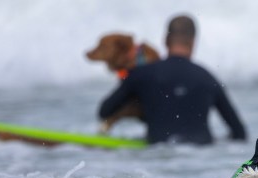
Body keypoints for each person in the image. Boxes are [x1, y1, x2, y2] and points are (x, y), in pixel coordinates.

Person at [98, 14, 247, 145]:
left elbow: (104, 111)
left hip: (160, 158)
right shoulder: (208, 78)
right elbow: (240, 134)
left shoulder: (141, 75)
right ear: (193, 42)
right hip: (202, 163)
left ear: (165, 40)